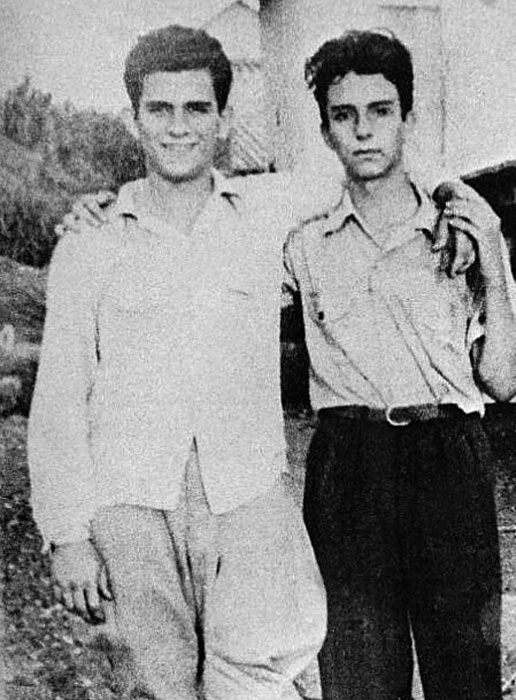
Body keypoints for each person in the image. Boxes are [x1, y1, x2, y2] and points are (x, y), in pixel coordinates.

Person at [28, 25, 327, 700]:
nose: (178, 128)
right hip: (131, 502)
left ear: (223, 122)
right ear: (136, 120)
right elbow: (59, 399)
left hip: (245, 491)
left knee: (256, 678)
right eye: (159, 110)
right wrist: (66, 535)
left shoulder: (265, 212)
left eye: (197, 109)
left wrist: (456, 216)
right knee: (155, 687)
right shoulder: (91, 243)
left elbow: (366, 171)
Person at [282, 30, 516, 700]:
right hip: (348, 466)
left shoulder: (463, 232)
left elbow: (504, 380)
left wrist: (496, 257)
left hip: (447, 458)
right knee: (359, 678)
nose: (363, 131)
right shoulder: (299, 240)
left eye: (380, 110)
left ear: (408, 118)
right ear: (327, 131)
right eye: (344, 115)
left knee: (465, 676)